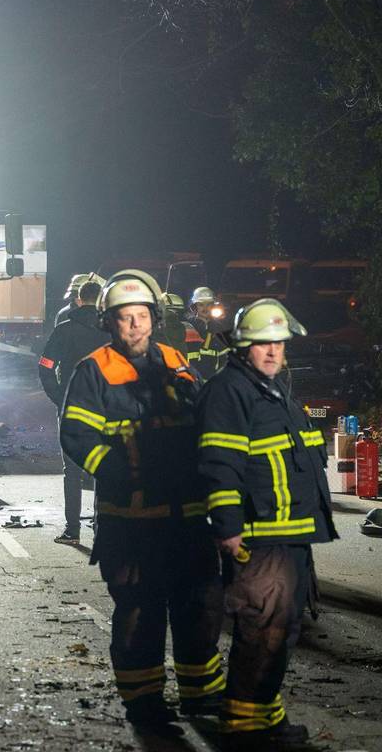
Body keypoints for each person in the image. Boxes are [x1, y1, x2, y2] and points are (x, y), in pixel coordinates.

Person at [60, 269, 224, 735]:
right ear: (109, 322)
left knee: (200, 606)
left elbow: (202, 420)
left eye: (142, 316)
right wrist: (122, 473)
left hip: (187, 516)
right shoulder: (93, 370)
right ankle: (145, 704)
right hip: (130, 521)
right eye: (124, 317)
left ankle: (201, 695)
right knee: (139, 612)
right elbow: (76, 435)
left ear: (154, 318)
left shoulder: (176, 361)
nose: (134, 325)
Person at [197, 298, 336, 749]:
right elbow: (220, 462)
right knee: (263, 629)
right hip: (259, 535)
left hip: (288, 531)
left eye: (279, 343)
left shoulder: (271, 388)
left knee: (279, 630)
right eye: (262, 343)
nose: (273, 351)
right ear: (243, 346)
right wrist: (229, 526)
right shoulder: (230, 391)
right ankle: (244, 727)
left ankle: (261, 717)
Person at [37, 280, 108, 544]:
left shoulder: (64, 330)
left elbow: (45, 366)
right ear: (101, 302)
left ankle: (73, 531)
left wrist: (59, 398)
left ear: (78, 300)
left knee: (73, 471)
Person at [186, 287, 229, 379]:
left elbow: (225, 355)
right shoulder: (188, 326)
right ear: (195, 306)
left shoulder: (219, 327)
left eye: (208, 304)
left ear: (213, 305)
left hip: (213, 378)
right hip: (192, 377)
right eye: (201, 304)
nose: (205, 308)